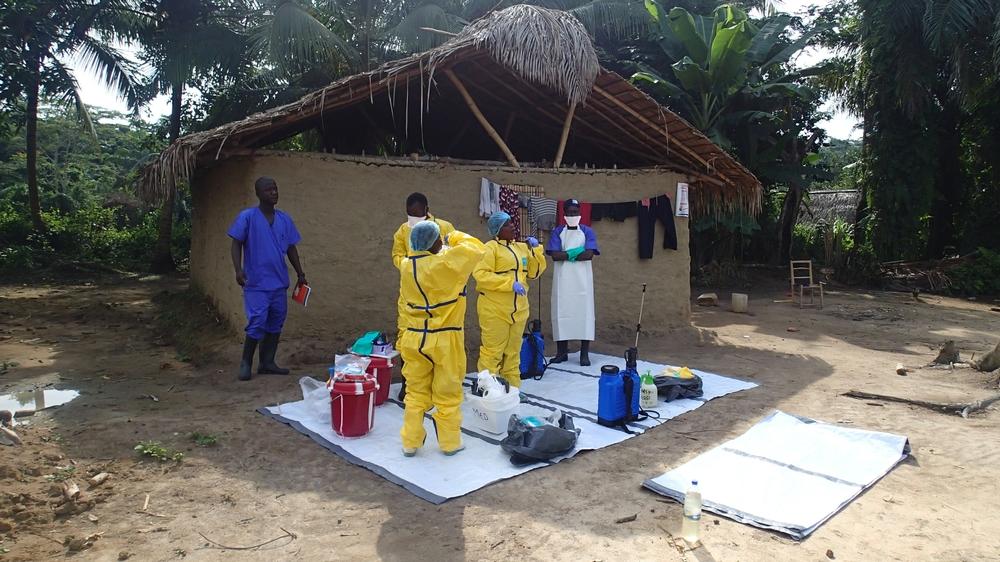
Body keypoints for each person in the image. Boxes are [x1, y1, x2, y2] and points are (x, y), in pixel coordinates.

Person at [397, 221, 485, 457]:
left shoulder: (406, 265)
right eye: (438, 239)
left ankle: (410, 442)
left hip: (415, 337)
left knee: (415, 392)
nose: (440, 242)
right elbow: (476, 248)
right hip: (445, 337)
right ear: (432, 242)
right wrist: (452, 235)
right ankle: (449, 443)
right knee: (447, 393)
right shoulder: (446, 264)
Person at [228, 176, 306, 381]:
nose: (274, 192)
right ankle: (246, 363)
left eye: (275, 188)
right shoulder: (247, 217)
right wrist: (238, 269)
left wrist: (300, 273)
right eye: (268, 190)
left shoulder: (284, 219)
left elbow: (291, 248)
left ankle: (267, 362)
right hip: (256, 283)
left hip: (279, 282)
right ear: (258, 194)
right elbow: (236, 243)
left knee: (276, 321)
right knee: (257, 322)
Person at [391, 192, 456, 400]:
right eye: (410, 215)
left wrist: (435, 267)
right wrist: (409, 267)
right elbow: (397, 255)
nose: (413, 219)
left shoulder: (444, 227)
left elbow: (455, 254)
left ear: (427, 209)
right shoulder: (403, 230)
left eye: (417, 214)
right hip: (411, 293)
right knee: (407, 338)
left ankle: (437, 386)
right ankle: (407, 384)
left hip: (438, 293)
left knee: (439, 339)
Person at [473, 211, 547, 387]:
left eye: (511, 223)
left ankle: (512, 389)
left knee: (513, 352)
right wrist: (509, 283)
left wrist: (536, 250)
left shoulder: (520, 248)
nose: (512, 226)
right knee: (493, 352)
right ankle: (488, 389)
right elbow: (481, 275)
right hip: (494, 309)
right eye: (506, 225)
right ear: (497, 229)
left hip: (519, 309)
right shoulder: (489, 248)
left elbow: (534, 273)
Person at [545, 199, 599, 366]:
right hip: (563, 281)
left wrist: (566, 254)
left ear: (579, 212)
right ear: (564, 213)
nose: (572, 215)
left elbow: (589, 254)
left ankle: (584, 354)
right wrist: (577, 253)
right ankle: (562, 352)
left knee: (585, 314)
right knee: (562, 313)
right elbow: (554, 255)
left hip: (583, 281)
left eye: (575, 212)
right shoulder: (557, 232)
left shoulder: (587, 231)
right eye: (569, 212)